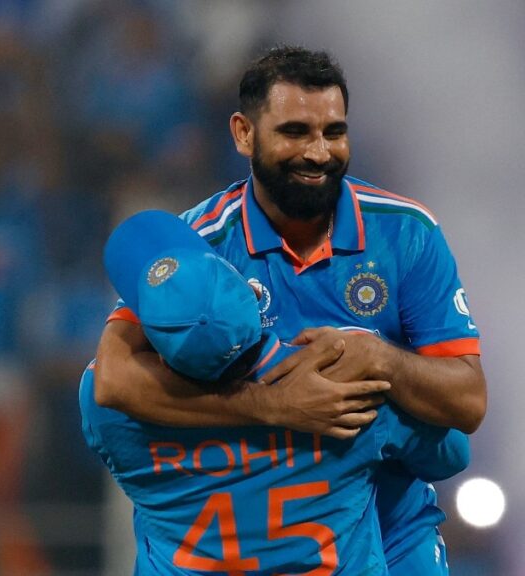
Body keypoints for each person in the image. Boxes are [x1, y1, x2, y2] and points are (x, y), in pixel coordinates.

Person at [94, 46, 487, 574]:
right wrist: (273, 406)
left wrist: (379, 358)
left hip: (393, 532)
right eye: (295, 132)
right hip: (248, 538)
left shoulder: (406, 233)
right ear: (244, 134)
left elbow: (468, 401)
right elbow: (113, 379)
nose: (319, 153)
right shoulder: (197, 248)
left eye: (334, 132)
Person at [81, 209, 470, 574]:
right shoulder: (344, 386)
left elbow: (111, 375)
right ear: (253, 293)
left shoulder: (109, 414)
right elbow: (452, 455)